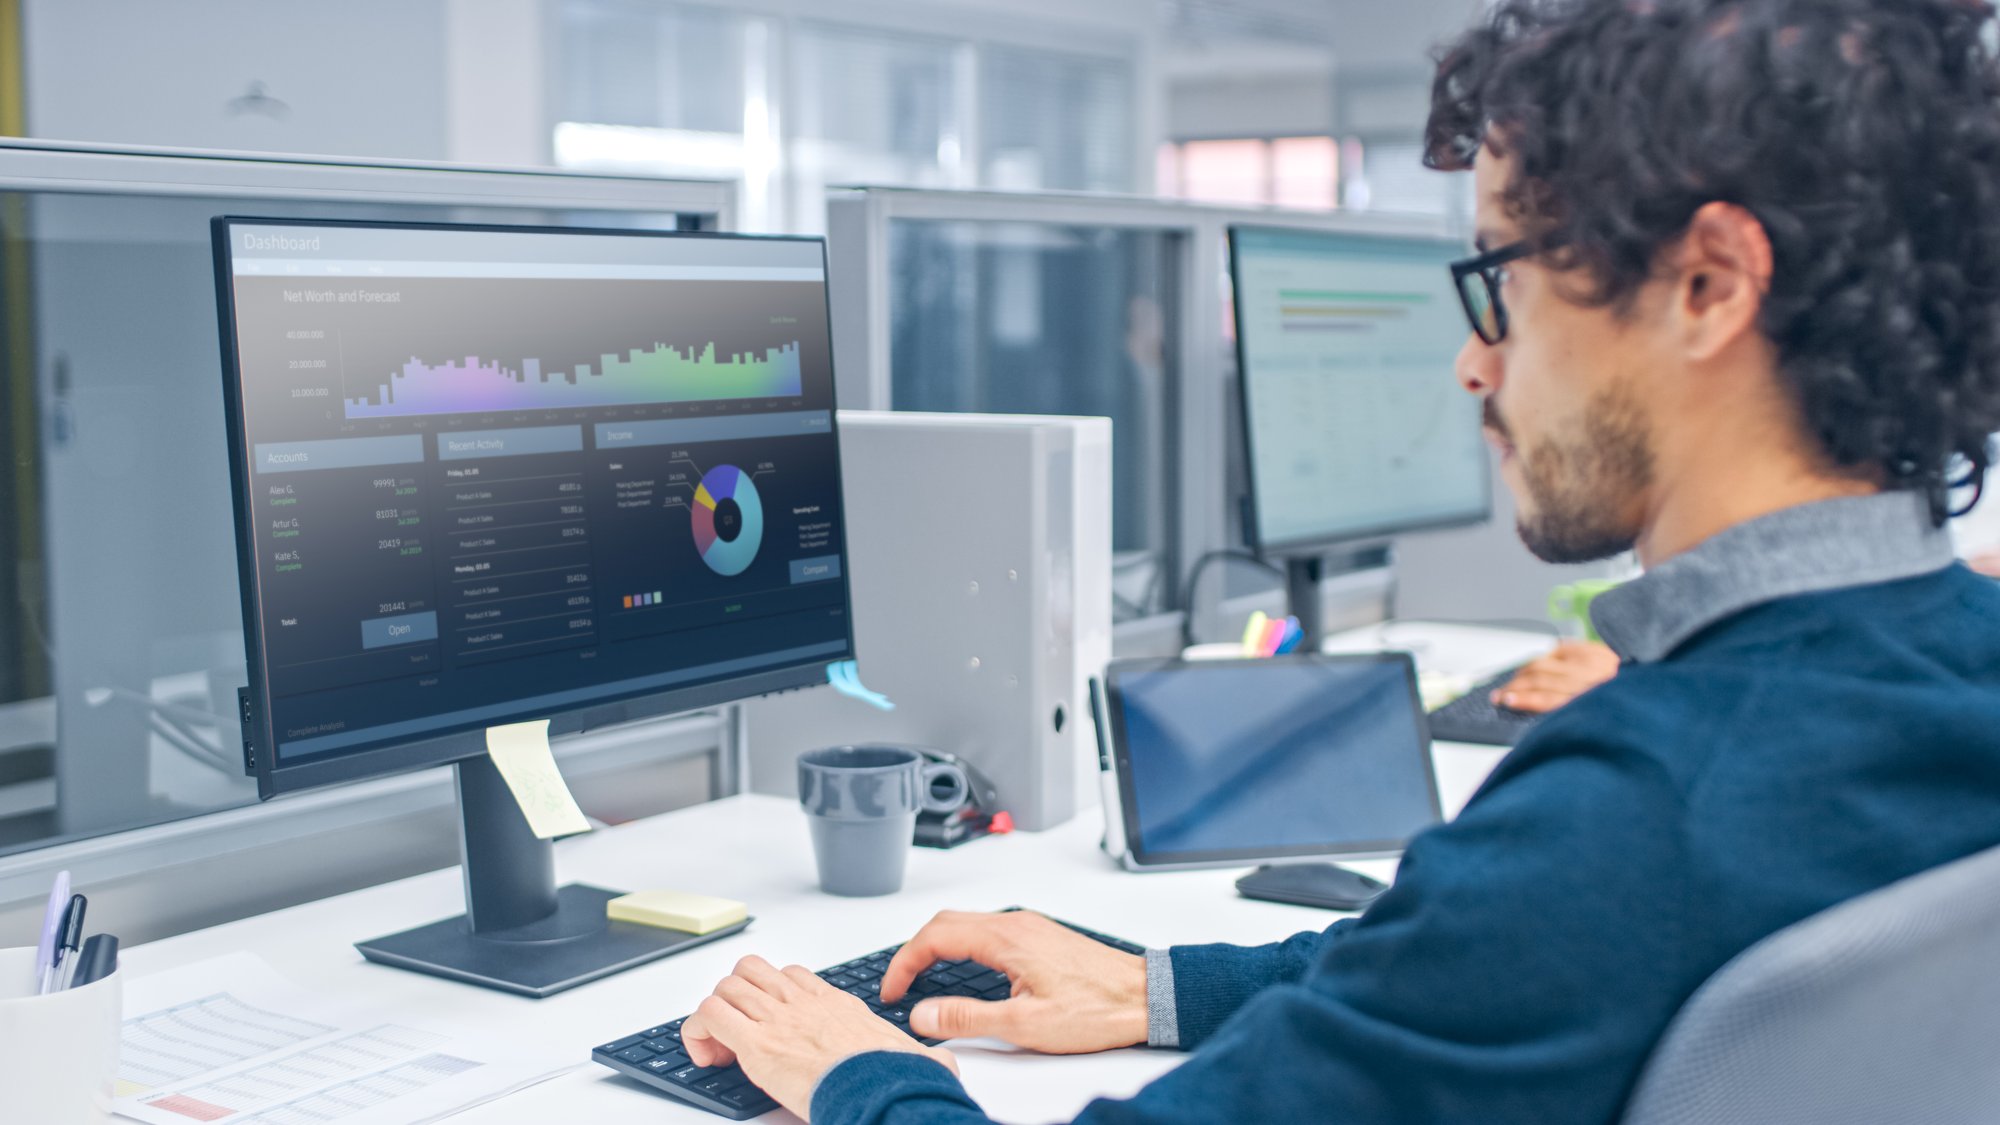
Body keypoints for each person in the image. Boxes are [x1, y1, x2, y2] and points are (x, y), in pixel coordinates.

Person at [679, 1, 2000, 1121]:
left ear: (1709, 285)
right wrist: (1156, 987)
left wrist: (856, 1071)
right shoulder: (1950, 676)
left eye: (1505, 284)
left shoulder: (1638, 811)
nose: (1476, 360)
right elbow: (1485, 963)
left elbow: (1545, 919)